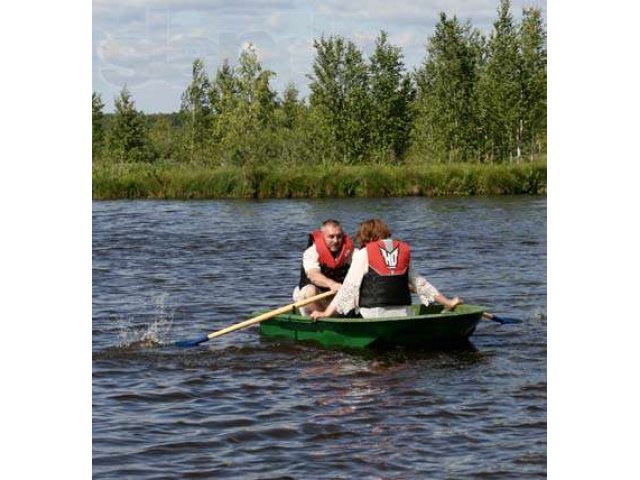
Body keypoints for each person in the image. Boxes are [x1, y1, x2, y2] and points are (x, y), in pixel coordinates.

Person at [310, 218, 462, 321]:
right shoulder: (403, 250)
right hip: (403, 314)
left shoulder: (364, 253)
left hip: (373, 315)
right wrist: (447, 302)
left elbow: (349, 287)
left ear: (366, 236)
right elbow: (420, 284)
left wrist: (326, 313)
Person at [293, 219, 355, 316]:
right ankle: (317, 317)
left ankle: (334, 315)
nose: (336, 240)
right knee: (309, 291)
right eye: (331, 237)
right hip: (313, 297)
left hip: (336, 299)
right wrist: (332, 284)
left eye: (339, 236)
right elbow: (313, 274)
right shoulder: (311, 252)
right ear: (322, 236)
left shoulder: (350, 252)